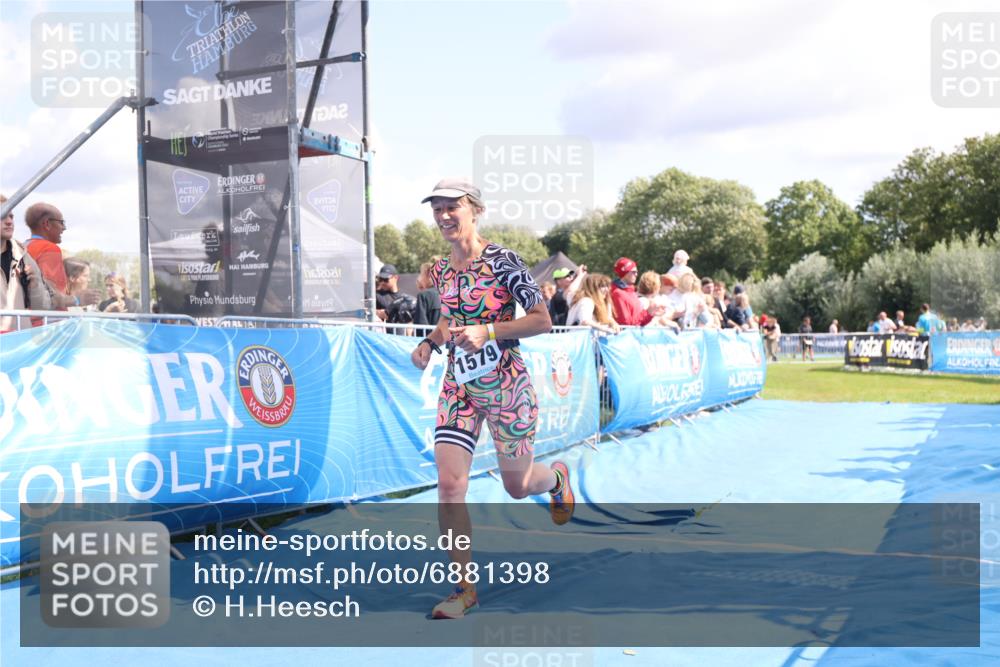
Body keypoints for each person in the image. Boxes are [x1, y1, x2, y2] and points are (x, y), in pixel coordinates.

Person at [409, 178, 572, 620]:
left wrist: (489, 330)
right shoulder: (442, 270)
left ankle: (555, 478)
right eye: (437, 208)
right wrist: (430, 343)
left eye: (452, 207)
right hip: (459, 386)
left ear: (474, 209)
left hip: (506, 385)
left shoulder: (504, 261)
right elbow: (448, 320)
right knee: (449, 484)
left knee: (517, 487)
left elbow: (541, 320)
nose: (444, 216)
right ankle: (464, 590)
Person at [24, 202, 96, 309]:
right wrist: (77, 299)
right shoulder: (49, 248)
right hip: (48, 321)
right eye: (61, 222)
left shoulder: (23, 247)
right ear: (47, 224)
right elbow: (50, 294)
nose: (64, 228)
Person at [1, 195, 51, 332]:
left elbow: (43, 308)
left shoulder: (24, 257)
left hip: (20, 346)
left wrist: (34, 287)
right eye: (3, 216)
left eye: (11, 217)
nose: (9, 222)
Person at [610, 257, 664, 326]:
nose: (636, 274)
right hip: (626, 335)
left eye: (636, 272)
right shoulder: (618, 294)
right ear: (625, 273)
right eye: (633, 272)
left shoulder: (631, 292)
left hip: (634, 334)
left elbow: (639, 321)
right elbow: (626, 324)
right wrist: (648, 312)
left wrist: (652, 314)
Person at [413, 259, 442, 329]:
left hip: (431, 338)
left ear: (428, 275)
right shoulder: (449, 293)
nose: (419, 278)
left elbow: (420, 326)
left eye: (421, 274)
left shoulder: (424, 295)